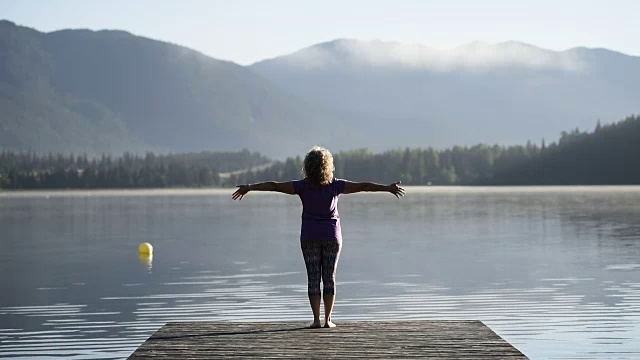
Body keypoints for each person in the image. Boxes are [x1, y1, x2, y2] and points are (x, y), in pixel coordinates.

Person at [232, 146, 405, 328]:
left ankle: (316, 320)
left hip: (309, 236)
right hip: (332, 236)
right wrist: (387, 188)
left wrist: (250, 187)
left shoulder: (302, 186)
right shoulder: (336, 185)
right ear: (328, 166)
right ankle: (328, 320)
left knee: (313, 277)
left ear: (308, 166)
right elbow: (364, 186)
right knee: (329, 277)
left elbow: (274, 186)